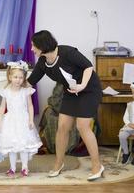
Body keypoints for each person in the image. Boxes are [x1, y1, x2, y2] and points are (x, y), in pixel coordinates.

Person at [27, 30, 103, 181]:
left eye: (33, 46)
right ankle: (58, 163)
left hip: (88, 89)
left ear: (42, 46)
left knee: (82, 126)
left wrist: (81, 85)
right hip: (70, 92)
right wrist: (11, 83)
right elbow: (30, 81)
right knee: (62, 127)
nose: (31, 49)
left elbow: (88, 67)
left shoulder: (67, 52)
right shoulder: (43, 62)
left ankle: (97, 165)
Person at [0, 61, 42, 177]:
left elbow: (30, 106)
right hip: (10, 121)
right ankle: (12, 168)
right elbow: (2, 106)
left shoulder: (25, 91)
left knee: (23, 146)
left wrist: (31, 120)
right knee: (12, 146)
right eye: (15, 77)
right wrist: (0, 120)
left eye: (21, 77)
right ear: (10, 77)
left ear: (24, 78)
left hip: (23, 120)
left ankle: (24, 167)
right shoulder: (6, 91)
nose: (18, 80)